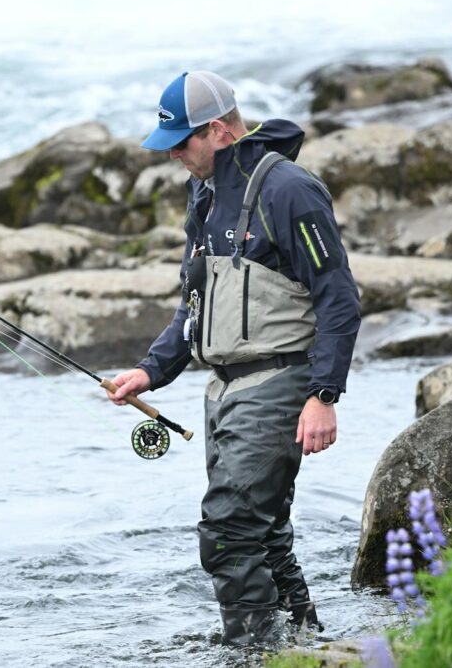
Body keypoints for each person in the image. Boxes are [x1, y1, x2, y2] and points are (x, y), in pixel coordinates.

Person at [106, 70, 361, 646]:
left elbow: (339, 298)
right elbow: (193, 305)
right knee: (263, 534)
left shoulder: (289, 190)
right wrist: (150, 370)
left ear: (218, 131)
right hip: (221, 392)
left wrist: (324, 396)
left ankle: (251, 652)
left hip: (279, 383)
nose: (172, 154)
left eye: (181, 141)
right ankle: (302, 645)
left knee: (227, 531)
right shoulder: (203, 194)